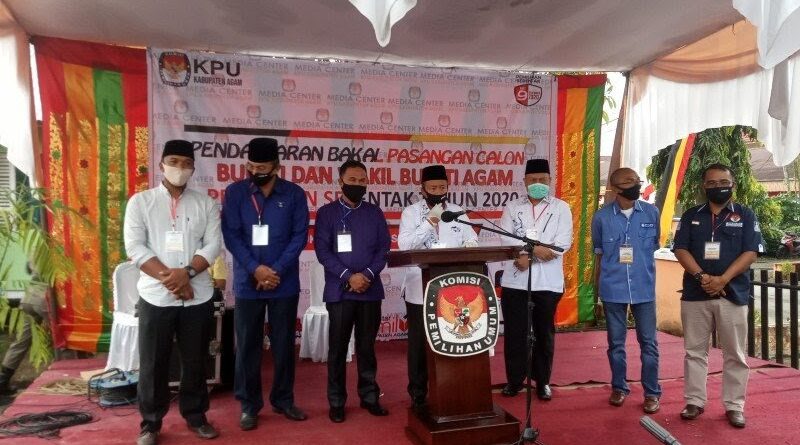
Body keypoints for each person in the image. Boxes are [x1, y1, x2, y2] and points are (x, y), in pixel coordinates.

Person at [123, 139, 221, 445]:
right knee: (154, 362)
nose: (180, 168)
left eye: (186, 163)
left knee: (195, 360)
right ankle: (151, 423)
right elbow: (135, 247)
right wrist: (173, 280)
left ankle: (196, 416)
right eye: (174, 161)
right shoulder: (141, 202)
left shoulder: (206, 203)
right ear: (162, 164)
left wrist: (187, 274)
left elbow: (213, 245)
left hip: (197, 295)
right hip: (155, 296)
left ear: (193, 167)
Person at [221, 137, 309, 430]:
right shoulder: (235, 193)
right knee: (248, 346)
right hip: (248, 282)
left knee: (284, 344)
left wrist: (275, 271)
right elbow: (232, 235)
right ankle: (249, 405)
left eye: (263, 167)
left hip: (283, 282)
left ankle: (283, 400)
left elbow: (299, 236)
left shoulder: (294, 194)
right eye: (252, 166)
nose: (256, 171)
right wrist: (255, 269)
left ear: (276, 166)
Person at [672, 163, 761, 428]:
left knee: (735, 353)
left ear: (733, 184)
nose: (717, 187)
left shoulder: (745, 215)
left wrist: (722, 279)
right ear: (704, 186)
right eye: (711, 183)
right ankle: (694, 401)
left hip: (732, 294)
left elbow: (751, 253)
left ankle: (734, 406)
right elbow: (681, 249)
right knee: (694, 352)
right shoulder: (691, 215)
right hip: (695, 294)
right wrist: (702, 277)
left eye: (723, 182)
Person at [314, 160, 391, 423]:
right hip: (340, 291)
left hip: (370, 290)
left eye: (362, 181)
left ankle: (369, 397)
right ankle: (337, 401)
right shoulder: (326, 213)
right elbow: (323, 251)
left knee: (367, 347)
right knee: (337, 349)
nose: (358, 185)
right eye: (353, 180)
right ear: (341, 182)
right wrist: (349, 276)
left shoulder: (375, 213)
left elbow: (384, 249)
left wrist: (367, 275)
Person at [397, 164, 478, 408]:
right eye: (432, 188)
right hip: (419, 290)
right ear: (422, 189)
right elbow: (405, 246)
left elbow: (472, 240)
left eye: (442, 187)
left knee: (451, 339)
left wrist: (469, 248)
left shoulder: (456, 212)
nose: (438, 192)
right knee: (419, 345)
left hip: (452, 289)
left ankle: (450, 388)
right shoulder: (411, 213)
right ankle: (418, 393)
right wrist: (429, 222)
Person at [498, 158, 572, 400]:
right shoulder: (512, 207)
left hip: (548, 283)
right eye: (533, 180)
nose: (538, 183)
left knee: (544, 333)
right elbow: (505, 238)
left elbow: (562, 243)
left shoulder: (561, 208)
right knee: (515, 333)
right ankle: (514, 380)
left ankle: (542, 382)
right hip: (515, 282)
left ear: (550, 180)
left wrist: (529, 256)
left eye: (542, 179)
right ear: (525, 181)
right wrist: (533, 252)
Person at [591, 167, 662, 413]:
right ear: (615, 188)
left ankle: (652, 393)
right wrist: (597, 289)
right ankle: (619, 388)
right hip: (613, 288)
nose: (635, 184)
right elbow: (599, 253)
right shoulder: (601, 218)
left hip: (644, 287)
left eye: (636, 180)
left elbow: (654, 244)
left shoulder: (651, 212)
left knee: (649, 343)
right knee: (616, 343)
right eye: (629, 181)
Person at [0, 279, 46, 396]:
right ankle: (68, 375)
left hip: (29, 299)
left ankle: (2, 381)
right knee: (62, 340)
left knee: (20, 342)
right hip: (46, 299)